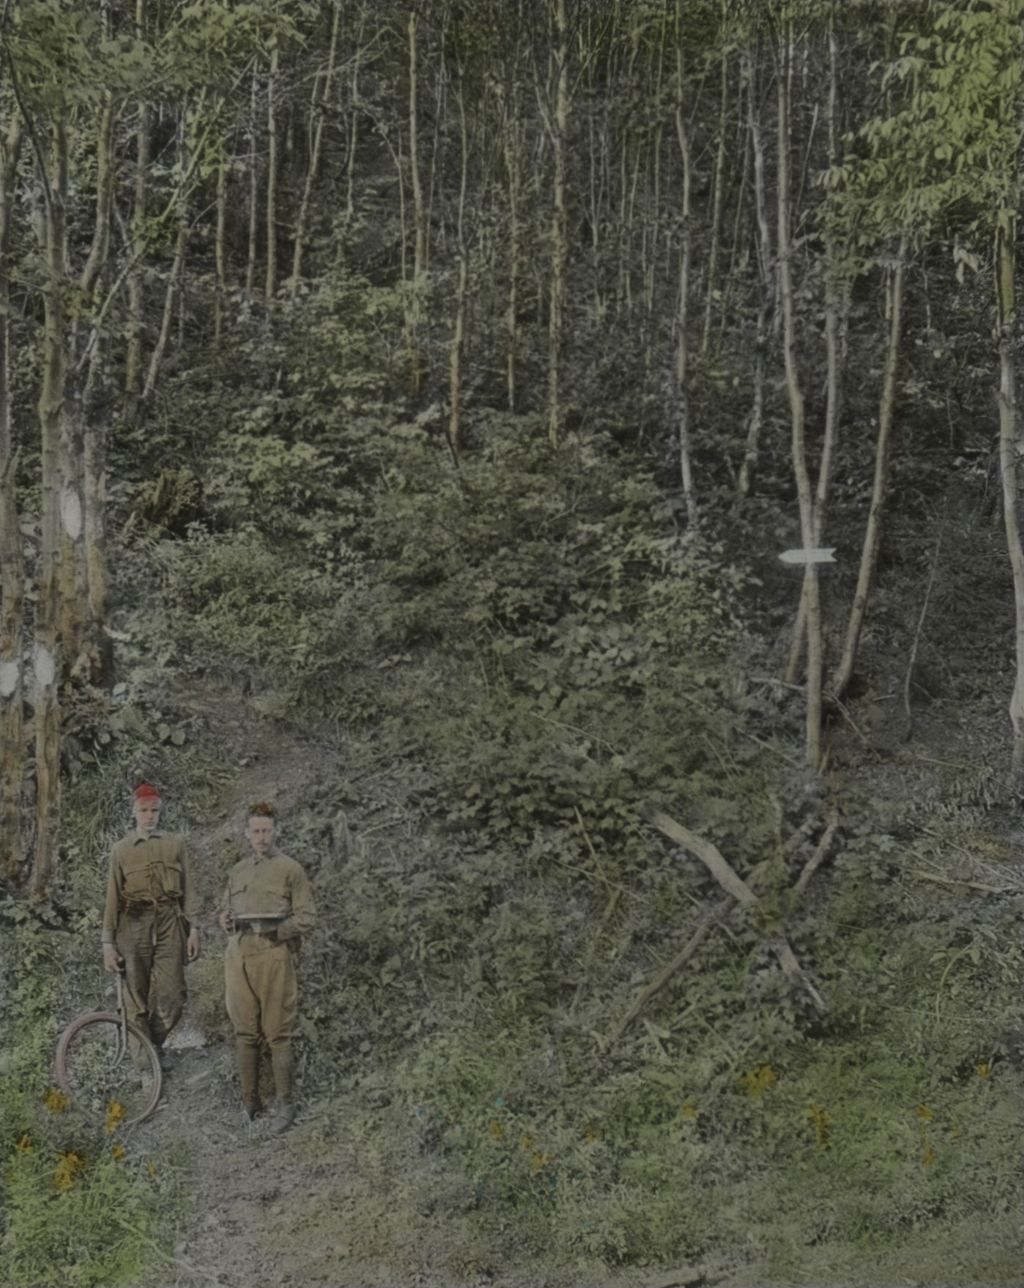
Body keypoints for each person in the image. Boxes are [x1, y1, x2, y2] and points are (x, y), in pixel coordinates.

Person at [218, 802, 317, 1133]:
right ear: (247, 833)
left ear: (277, 831)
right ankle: (250, 1103)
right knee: (244, 1032)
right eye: (256, 831)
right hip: (238, 954)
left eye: (267, 830)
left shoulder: (291, 869)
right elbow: (225, 913)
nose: (261, 837)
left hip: (273, 954)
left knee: (278, 1032)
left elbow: (306, 917)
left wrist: (280, 932)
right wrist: (225, 919)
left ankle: (286, 1105)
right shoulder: (237, 871)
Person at [101, 781, 201, 1069]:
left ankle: (151, 1043)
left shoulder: (176, 844)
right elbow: (112, 898)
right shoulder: (121, 850)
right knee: (135, 998)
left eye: (154, 810)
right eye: (144, 810)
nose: (149, 816)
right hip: (133, 924)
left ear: (160, 812)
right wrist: (108, 943)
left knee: (174, 995)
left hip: (170, 920)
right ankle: (146, 1068)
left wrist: (194, 928)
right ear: (134, 812)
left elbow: (189, 888)